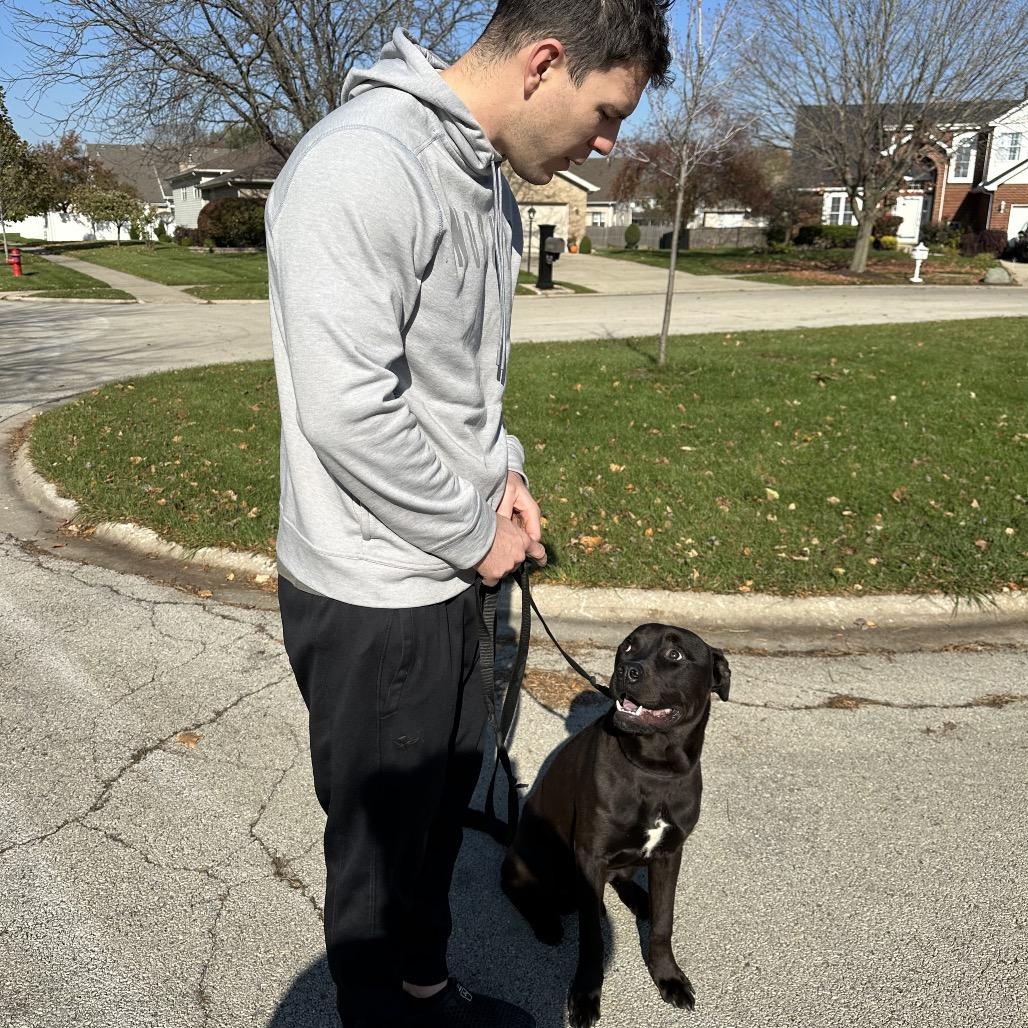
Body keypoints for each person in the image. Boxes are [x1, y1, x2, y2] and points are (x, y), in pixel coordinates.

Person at [267, 2, 672, 1024]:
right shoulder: (361, 165)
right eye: (605, 111)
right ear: (544, 62)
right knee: (380, 848)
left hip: (448, 565)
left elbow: (455, 389)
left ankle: (424, 988)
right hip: (373, 589)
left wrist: (504, 477)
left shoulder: (487, 182)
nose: (606, 141)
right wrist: (471, 526)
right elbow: (348, 409)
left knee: (440, 812)